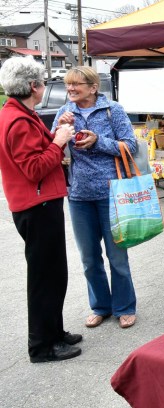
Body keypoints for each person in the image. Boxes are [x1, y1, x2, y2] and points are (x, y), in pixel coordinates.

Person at [0, 57, 81, 363]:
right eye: (42, 82)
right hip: (36, 205)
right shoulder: (18, 120)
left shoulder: (19, 113)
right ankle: (42, 346)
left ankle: (54, 333)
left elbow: (35, 151)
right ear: (32, 86)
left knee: (53, 273)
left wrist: (56, 132)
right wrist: (59, 142)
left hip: (39, 203)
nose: (44, 86)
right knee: (45, 277)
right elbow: (34, 168)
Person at [52, 66, 139, 330]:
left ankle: (124, 306)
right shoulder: (64, 112)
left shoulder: (113, 110)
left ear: (92, 87)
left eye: (76, 84)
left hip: (111, 193)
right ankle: (100, 306)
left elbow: (130, 146)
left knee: (117, 257)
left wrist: (97, 140)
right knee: (89, 258)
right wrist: (59, 128)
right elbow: (52, 145)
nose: (70, 89)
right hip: (78, 195)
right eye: (68, 85)